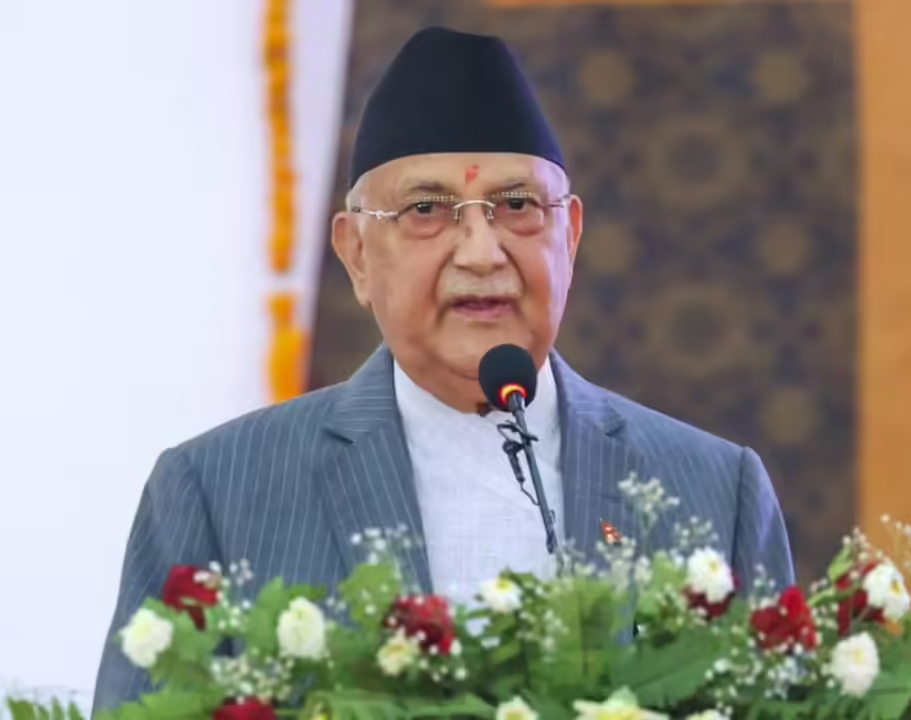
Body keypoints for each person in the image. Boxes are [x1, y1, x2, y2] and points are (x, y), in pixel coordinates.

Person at [92, 26, 794, 713]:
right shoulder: (217, 492)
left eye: (517, 206)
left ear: (570, 236)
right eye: (427, 210)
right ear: (357, 254)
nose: (482, 252)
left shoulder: (715, 490)